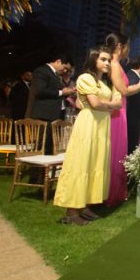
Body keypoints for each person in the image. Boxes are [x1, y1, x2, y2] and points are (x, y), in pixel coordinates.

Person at [53, 46, 122, 225]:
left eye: (108, 60)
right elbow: (94, 103)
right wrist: (110, 104)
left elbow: (115, 103)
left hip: (101, 127)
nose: (107, 63)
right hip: (88, 126)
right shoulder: (85, 78)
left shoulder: (104, 84)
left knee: (95, 164)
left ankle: (85, 207)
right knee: (81, 164)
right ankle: (71, 211)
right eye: (103, 59)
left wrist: (106, 104)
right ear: (94, 60)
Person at [105, 33, 140, 207]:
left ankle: (114, 191)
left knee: (120, 151)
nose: (128, 50)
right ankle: (111, 192)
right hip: (119, 110)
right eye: (128, 46)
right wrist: (139, 86)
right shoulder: (115, 64)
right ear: (120, 47)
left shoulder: (116, 64)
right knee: (117, 152)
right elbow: (123, 90)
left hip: (122, 110)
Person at [26, 54, 75, 154]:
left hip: (54, 116)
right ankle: (34, 168)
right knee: (41, 146)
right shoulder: (42, 71)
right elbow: (39, 91)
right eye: (65, 68)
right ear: (58, 61)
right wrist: (62, 92)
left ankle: (46, 169)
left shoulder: (55, 75)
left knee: (50, 146)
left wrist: (68, 92)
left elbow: (55, 93)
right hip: (44, 115)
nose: (65, 71)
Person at [125, 56, 140, 155]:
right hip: (132, 117)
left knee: (133, 144)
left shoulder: (137, 78)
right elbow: (130, 93)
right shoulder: (132, 76)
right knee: (131, 145)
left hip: (136, 117)